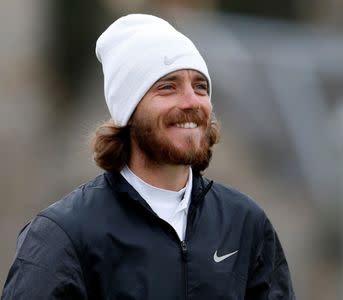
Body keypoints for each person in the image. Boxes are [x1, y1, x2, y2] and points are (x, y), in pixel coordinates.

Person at [1, 14, 296, 299]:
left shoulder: (245, 223)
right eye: (167, 87)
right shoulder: (64, 234)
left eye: (200, 86)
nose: (191, 101)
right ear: (129, 111)